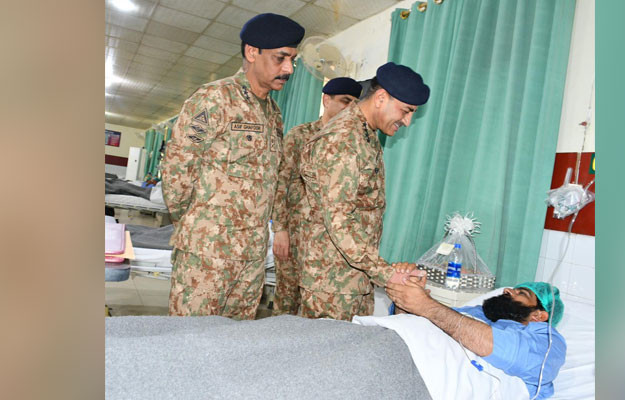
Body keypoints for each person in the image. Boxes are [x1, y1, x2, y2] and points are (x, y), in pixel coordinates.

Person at [160, 13, 305, 320]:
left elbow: (271, 179)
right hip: (208, 253)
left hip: (251, 257)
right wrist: (195, 225)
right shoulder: (214, 98)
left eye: (292, 60)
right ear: (252, 52)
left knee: (235, 340)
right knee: (189, 338)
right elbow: (177, 168)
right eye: (281, 58)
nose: (289, 69)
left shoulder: (273, 113)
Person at [298, 62, 431, 321]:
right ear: (380, 98)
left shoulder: (365, 134)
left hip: (353, 277)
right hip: (332, 284)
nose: (407, 121)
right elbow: (340, 222)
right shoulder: (343, 139)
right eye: (406, 111)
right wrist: (387, 273)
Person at [271, 77, 363, 315]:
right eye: (344, 101)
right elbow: (281, 181)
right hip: (296, 234)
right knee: (287, 300)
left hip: (329, 241)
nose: (349, 108)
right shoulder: (301, 135)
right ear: (326, 100)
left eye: (354, 103)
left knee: (317, 307)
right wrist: (280, 229)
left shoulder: (354, 142)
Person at [386, 279, 567, 399]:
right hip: (397, 351)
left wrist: (425, 305)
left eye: (521, 293)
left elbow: (502, 349)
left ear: (538, 316)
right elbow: (422, 324)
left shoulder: (548, 340)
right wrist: (404, 300)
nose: (507, 290)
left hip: (422, 383)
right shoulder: (478, 313)